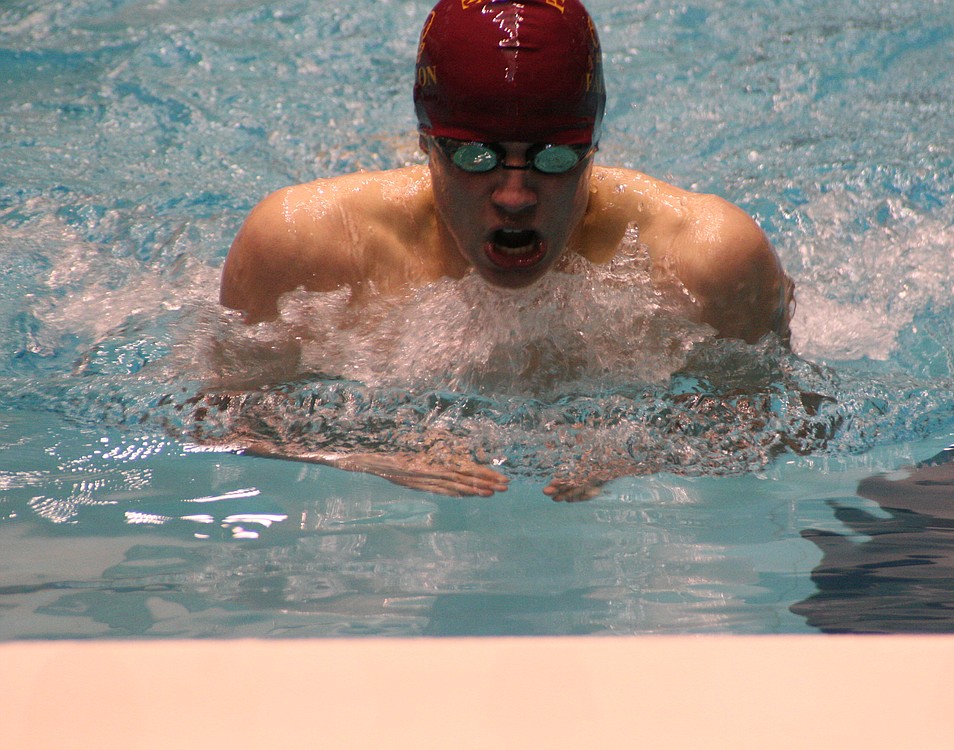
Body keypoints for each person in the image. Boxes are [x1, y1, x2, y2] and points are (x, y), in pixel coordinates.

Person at [218, 0, 794, 501]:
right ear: (427, 145)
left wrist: (639, 454)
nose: (515, 198)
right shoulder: (303, 246)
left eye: (553, 158)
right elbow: (218, 419)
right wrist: (373, 454)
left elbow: (785, 424)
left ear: (593, 149)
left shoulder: (706, 258)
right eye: (476, 158)